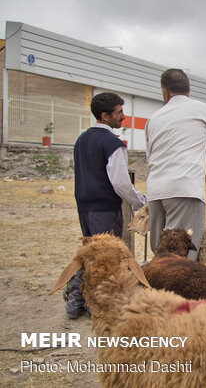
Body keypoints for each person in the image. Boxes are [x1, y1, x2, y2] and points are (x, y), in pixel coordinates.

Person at [69, 92, 147, 318]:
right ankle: (99, 306)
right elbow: (121, 183)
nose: (123, 117)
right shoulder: (113, 143)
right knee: (107, 258)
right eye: (119, 112)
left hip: (84, 206)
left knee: (90, 252)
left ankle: (76, 302)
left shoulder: (81, 140)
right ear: (104, 116)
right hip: (105, 208)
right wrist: (139, 202)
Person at [145, 68, 206, 259]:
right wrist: (194, 170)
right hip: (186, 189)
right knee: (181, 256)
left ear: (165, 92)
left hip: (156, 190)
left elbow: (150, 157)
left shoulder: (153, 118)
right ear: (188, 89)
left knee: (159, 252)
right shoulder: (205, 110)